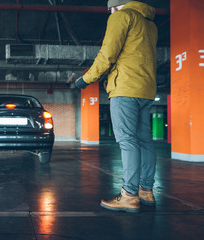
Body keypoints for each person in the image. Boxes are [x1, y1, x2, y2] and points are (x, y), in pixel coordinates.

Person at [75, 0, 158, 213]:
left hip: (125, 89)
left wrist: (87, 79)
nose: (110, 12)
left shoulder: (122, 17)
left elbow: (108, 53)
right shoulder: (150, 24)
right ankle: (146, 191)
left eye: (111, 8)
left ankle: (129, 195)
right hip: (146, 89)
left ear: (119, 5)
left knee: (127, 140)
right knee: (145, 141)